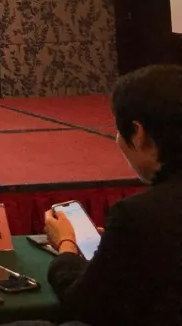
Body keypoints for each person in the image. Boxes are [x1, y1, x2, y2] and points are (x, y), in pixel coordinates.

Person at [38, 64, 182, 326]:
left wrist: (67, 247)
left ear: (138, 133)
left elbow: (83, 306)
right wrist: (118, 246)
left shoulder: (139, 215)